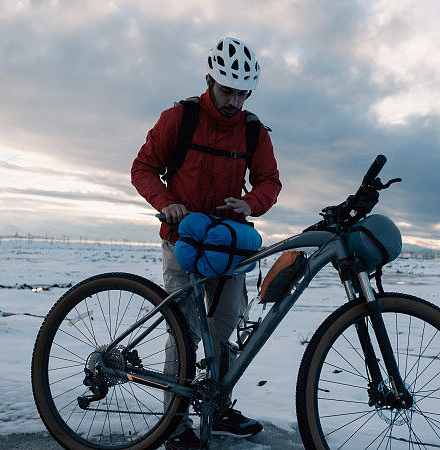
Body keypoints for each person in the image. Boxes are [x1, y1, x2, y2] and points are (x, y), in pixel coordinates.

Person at [131, 37, 281, 450]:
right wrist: (167, 203)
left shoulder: (253, 132)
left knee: (226, 328)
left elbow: (270, 182)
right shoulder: (179, 119)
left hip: (228, 248)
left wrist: (249, 202)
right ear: (211, 80)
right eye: (226, 89)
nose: (233, 99)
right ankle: (174, 425)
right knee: (184, 333)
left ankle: (217, 411)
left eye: (241, 92)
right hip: (183, 242)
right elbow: (143, 167)